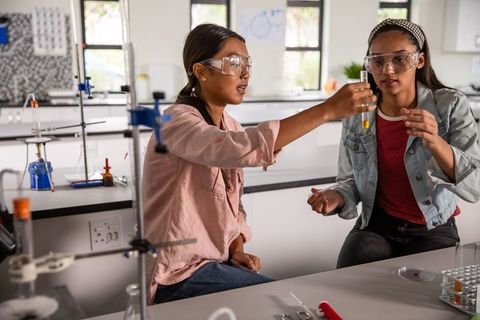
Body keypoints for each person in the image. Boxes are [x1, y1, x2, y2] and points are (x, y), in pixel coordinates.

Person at [142, 23, 375, 303]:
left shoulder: (229, 124)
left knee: (287, 301)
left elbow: (232, 208)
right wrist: (327, 110)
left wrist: (237, 249)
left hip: (215, 264)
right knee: (286, 301)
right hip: (176, 275)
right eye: (234, 62)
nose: (245, 72)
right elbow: (240, 148)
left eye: (247, 63)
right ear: (200, 71)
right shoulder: (175, 121)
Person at [307, 18, 480, 268]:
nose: (388, 70)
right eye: (378, 61)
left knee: (422, 300)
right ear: (369, 65)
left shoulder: (450, 105)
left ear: (419, 61)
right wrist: (337, 196)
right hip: (377, 224)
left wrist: (434, 141)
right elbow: (350, 181)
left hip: (433, 227)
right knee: (351, 283)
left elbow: (474, 188)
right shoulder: (359, 111)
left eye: (400, 59)